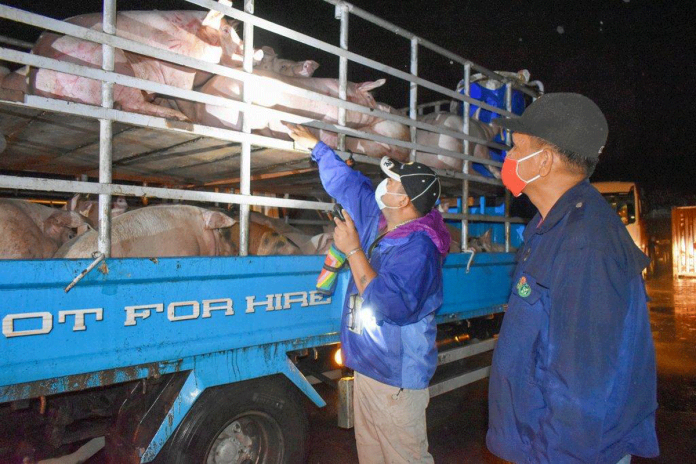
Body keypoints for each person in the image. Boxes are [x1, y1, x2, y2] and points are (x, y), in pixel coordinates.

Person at [486, 93, 659, 464]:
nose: (508, 160)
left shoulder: (587, 244)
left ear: (544, 161)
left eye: (517, 149)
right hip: (539, 443)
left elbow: (581, 388)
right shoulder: (549, 226)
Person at [284, 123, 450, 464]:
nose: (382, 185)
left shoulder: (419, 249)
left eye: (391, 183)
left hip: (395, 381)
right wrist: (318, 149)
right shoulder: (384, 223)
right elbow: (351, 187)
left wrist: (353, 250)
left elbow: (389, 304)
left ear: (403, 199)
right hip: (369, 369)